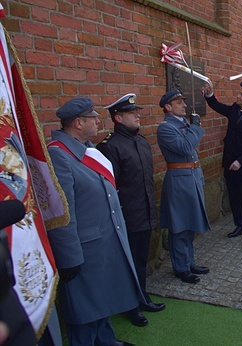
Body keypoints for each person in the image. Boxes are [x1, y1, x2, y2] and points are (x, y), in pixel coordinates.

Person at [47, 97, 140, 346]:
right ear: (78, 123)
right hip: (83, 249)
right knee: (85, 311)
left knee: (100, 300)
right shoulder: (59, 155)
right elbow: (62, 214)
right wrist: (69, 257)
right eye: (93, 118)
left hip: (102, 242)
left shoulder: (87, 148)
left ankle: (106, 340)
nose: (99, 121)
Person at [97, 93, 165, 326]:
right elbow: (111, 188)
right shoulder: (110, 147)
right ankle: (130, 305)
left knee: (140, 259)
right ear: (117, 118)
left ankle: (141, 296)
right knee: (127, 263)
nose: (138, 115)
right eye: (132, 113)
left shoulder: (141, 141)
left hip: (145, 212)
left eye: (137, 112)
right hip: (127, 216)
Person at [157, 90, 211, 283]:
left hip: (193, 176)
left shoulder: (183, 124)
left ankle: (189, 262)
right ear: (168, 107)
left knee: (189, 225)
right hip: (179, 179)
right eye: (179, 102)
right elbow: (187, 148)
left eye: (183, 101)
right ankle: (180, 267)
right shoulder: (165, 128)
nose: (184, 105)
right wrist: (195, 127)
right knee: (179, 226)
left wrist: (192, 128)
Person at [204, 82, 242, 248]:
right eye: (239, 94)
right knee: (233, 196)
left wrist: (241, 161)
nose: (238, 96)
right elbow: (217, 106)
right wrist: (209, 94)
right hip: (229, 162)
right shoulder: (234, 110)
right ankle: (240, 226)